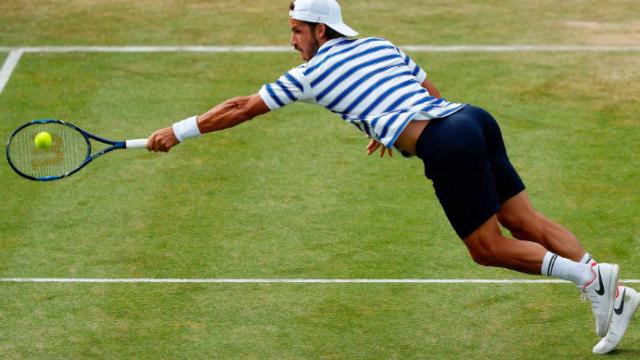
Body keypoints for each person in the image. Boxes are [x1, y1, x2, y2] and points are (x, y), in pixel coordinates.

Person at [145, 0, 638, 354]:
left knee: (486, 248)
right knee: (525, 220)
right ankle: (615, 298)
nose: (292, 41)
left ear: (320, 31)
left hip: (445, 143)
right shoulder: (380, 44)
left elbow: (242, 107)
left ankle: (591, 277)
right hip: (472, 119)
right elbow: (427, 88)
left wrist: (177, 130)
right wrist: (390, 122)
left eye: (297, 31)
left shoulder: (311, 73)